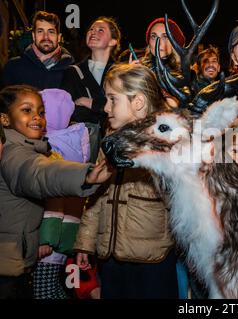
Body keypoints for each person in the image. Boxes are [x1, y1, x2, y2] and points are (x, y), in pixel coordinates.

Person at [74, 64, 179, 299]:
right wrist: (85, 242)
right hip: (110, 255)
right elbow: (97, 195)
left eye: (113, 100)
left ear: (138, 102)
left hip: (151, 259)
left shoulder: (166, 140)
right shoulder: (110, 138)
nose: (107, 108)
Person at [0, 85, 110, 299]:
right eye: (26, 110)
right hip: (7, 264)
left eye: (41, 112)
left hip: (16, 259)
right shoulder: (14, 153)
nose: (37, 118)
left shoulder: (26, 145)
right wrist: (85, 175)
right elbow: (38, 173)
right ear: (5, 119)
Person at [32, 88, 90, 299]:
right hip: (68, 231)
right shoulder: (77, 139)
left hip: (49, 236)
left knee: (43, 292)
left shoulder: (51, 148)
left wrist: (46, 239)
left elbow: (52, 201)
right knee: (55, 287)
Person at [61, 17, 121, 163]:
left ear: (113, 41)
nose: (93, 32)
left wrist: (90, 103)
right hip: (83, 148)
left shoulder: (120, 72)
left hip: (115, 144)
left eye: (101, 30)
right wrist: (104, 107)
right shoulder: (73, 71)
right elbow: (69, 110)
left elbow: (123, 108)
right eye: (91, 29)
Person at [2, 11, 74, 89]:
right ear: (33, 36)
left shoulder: (72, 70)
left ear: (59, 37)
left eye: (51, 32)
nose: (46, 37)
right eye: (40, 31)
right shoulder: (13, 67)